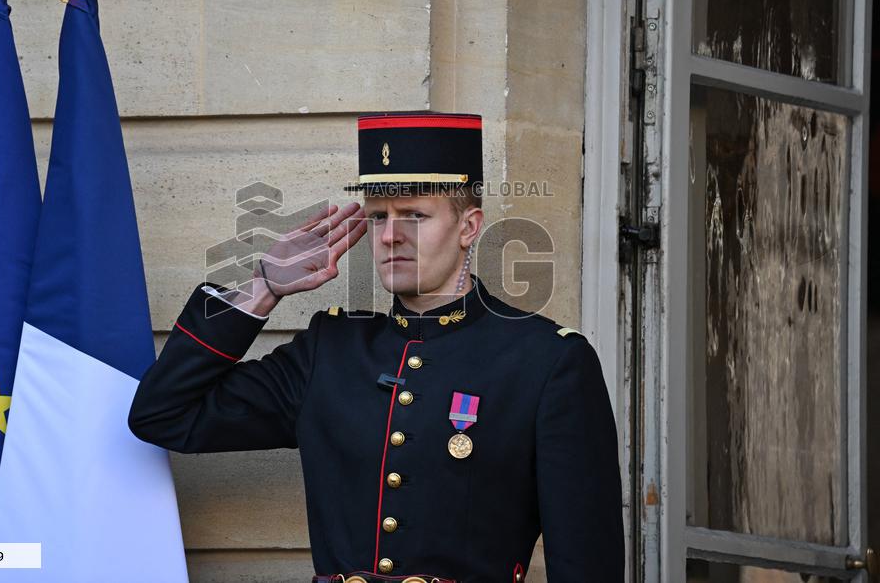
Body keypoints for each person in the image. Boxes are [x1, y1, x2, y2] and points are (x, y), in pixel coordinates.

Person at [128, 112, 625, 582]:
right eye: (380, 216)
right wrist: (262, 287)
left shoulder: (547, 362)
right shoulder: (331, 351)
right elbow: (165, 414)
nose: (391, 236)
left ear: (468, 227)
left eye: (414, 215)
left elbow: (586, 565)